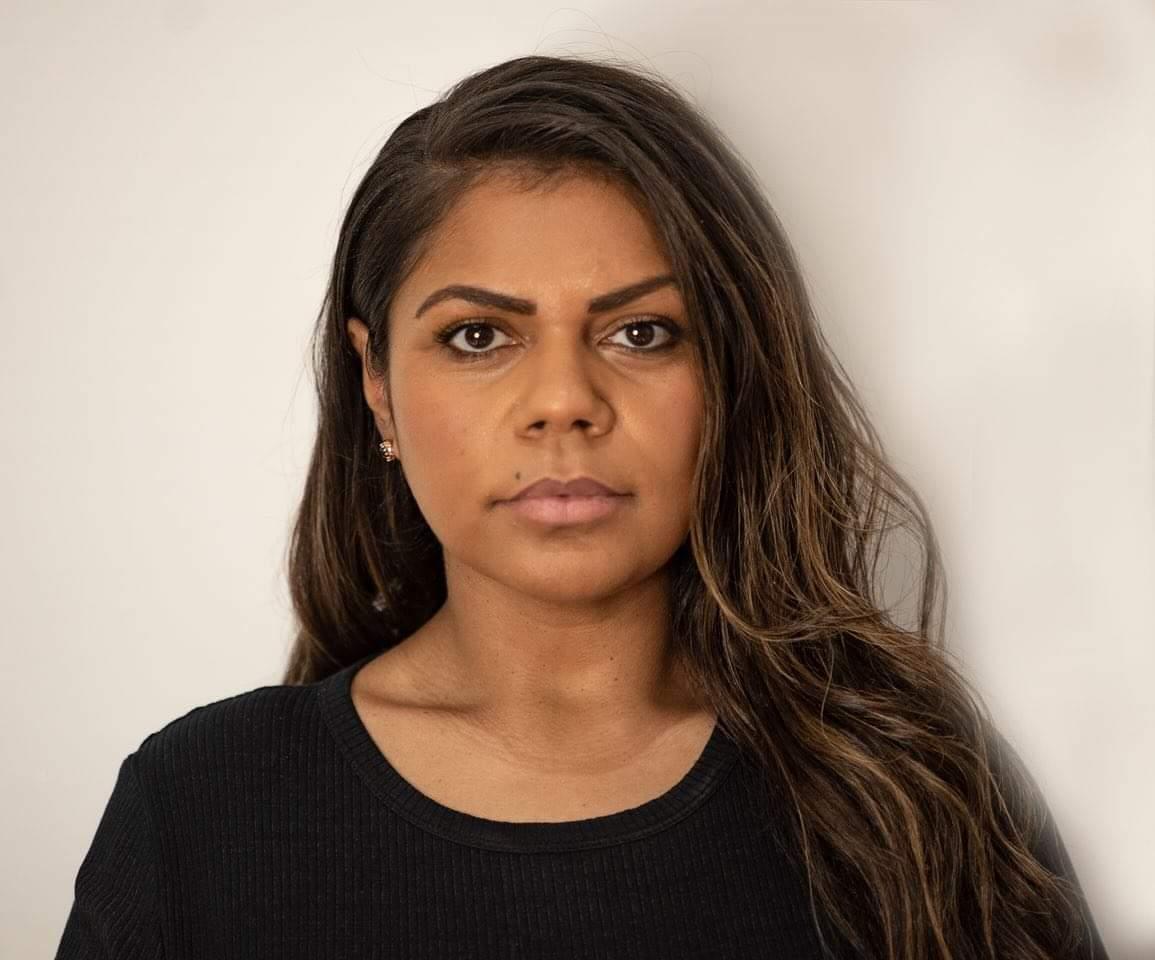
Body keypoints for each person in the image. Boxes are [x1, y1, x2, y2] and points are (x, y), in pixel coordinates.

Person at [55, 53, 1109, 959]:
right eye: (478, 336)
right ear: (377, 382)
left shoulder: (916, 793)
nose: (563, 401)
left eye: (641, 332)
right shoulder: (199, 811)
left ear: (729, 373)